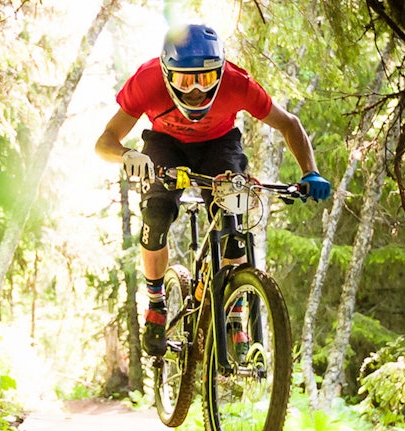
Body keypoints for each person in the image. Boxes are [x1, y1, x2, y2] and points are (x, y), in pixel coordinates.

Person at [95, 23, 331, 357]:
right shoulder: (147, 80)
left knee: (232, 213)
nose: (194, 91)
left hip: (218, 144)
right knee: (157, 212)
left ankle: (234, 312)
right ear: (166, 74)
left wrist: (311, 172)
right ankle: (156, 303)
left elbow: (289, 124)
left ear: (219, 73)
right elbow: (104, 142)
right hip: (165, 144)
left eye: (204, 80)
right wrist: (127, 154)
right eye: (183, 80)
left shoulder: (238, 84)